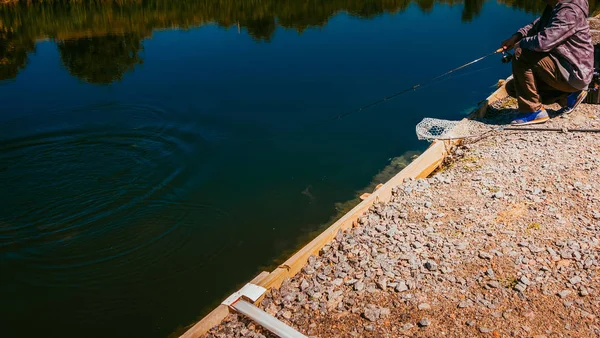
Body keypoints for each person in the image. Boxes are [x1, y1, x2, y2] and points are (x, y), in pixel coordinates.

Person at [501, 0, 594, 125]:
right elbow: (538, 24)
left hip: (575, 72)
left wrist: (520, 44)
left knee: (521, 54)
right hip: (564, 67)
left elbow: (544, 42)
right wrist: (517, 36)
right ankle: (568, 96)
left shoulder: (569, 11)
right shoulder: (556, 5)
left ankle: (533, 111)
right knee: (513, 88)